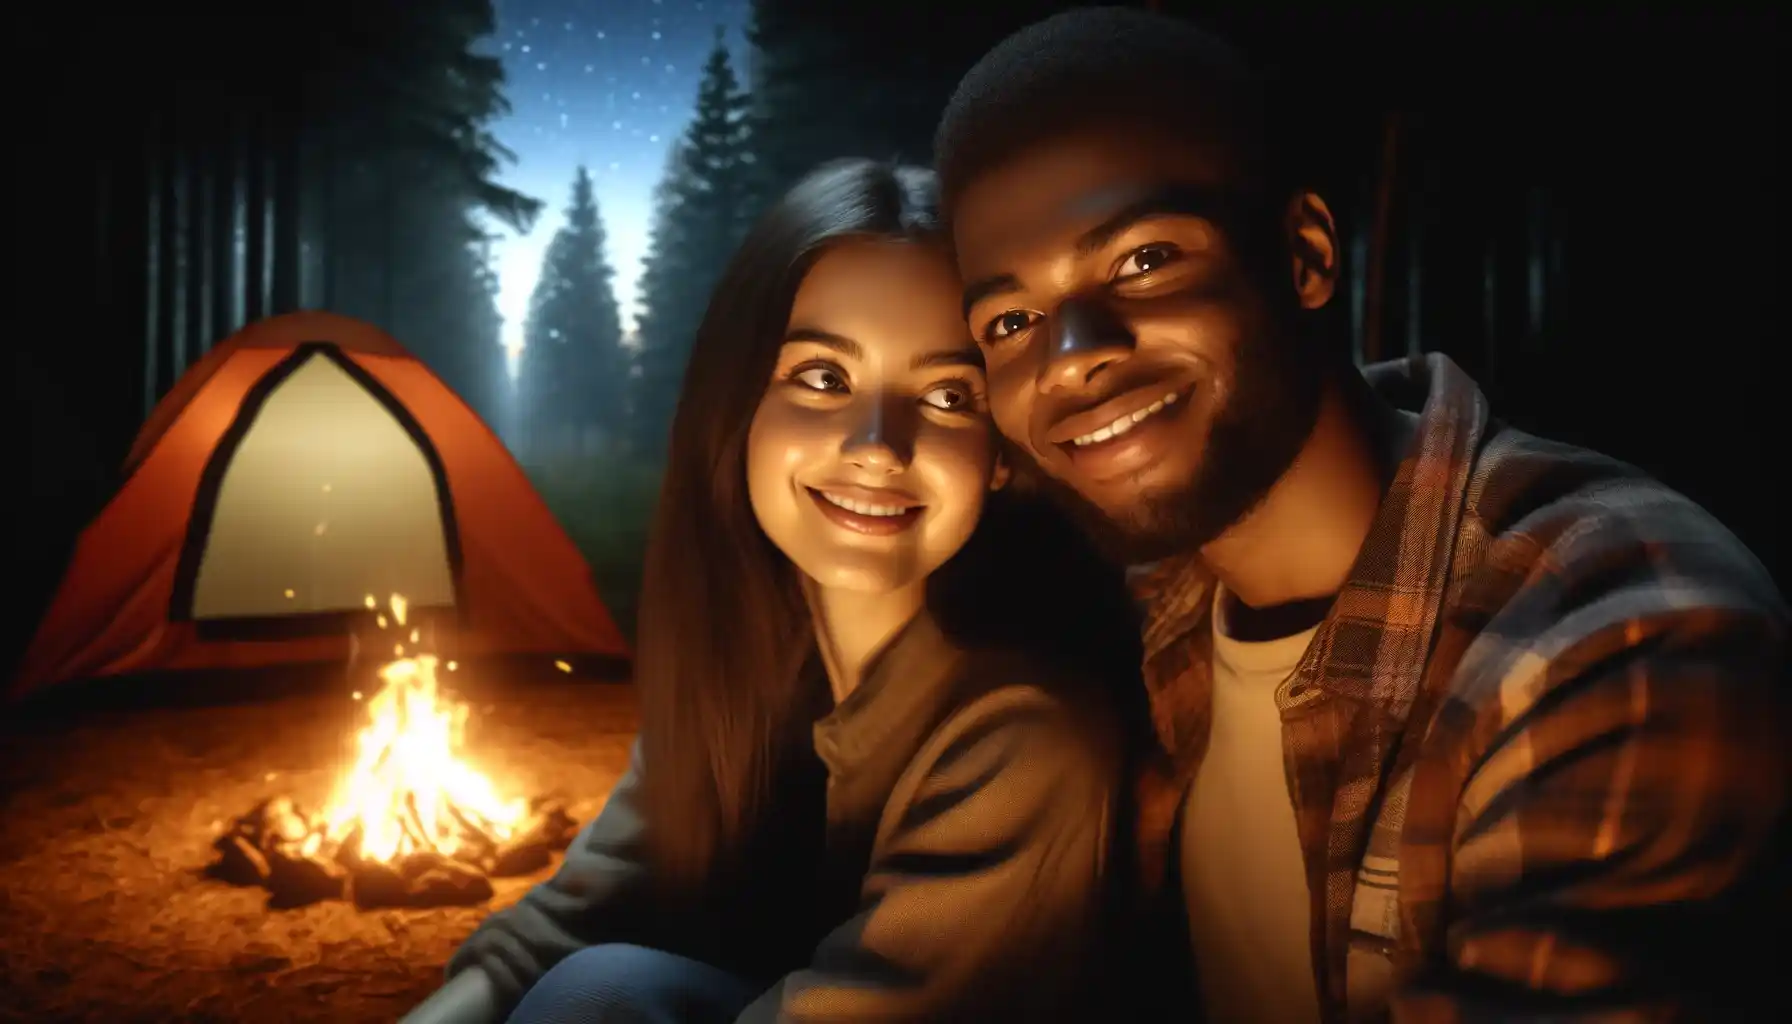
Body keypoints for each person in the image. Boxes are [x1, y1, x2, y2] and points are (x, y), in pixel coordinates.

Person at [933, 8, 1790, 1023]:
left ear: (1302, 256)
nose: (1069, 354)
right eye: (1011, 320)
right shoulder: (1150, 604)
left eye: (1142, 260)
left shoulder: (1623, 638)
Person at [400, 158, 1142, 1024]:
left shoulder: (1026, 742)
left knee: (602, 998)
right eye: (824, 378)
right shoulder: (749, 662)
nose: (877, 445)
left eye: (947, 395)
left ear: (1003, 452)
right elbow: (577, 913)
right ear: (739, 406)